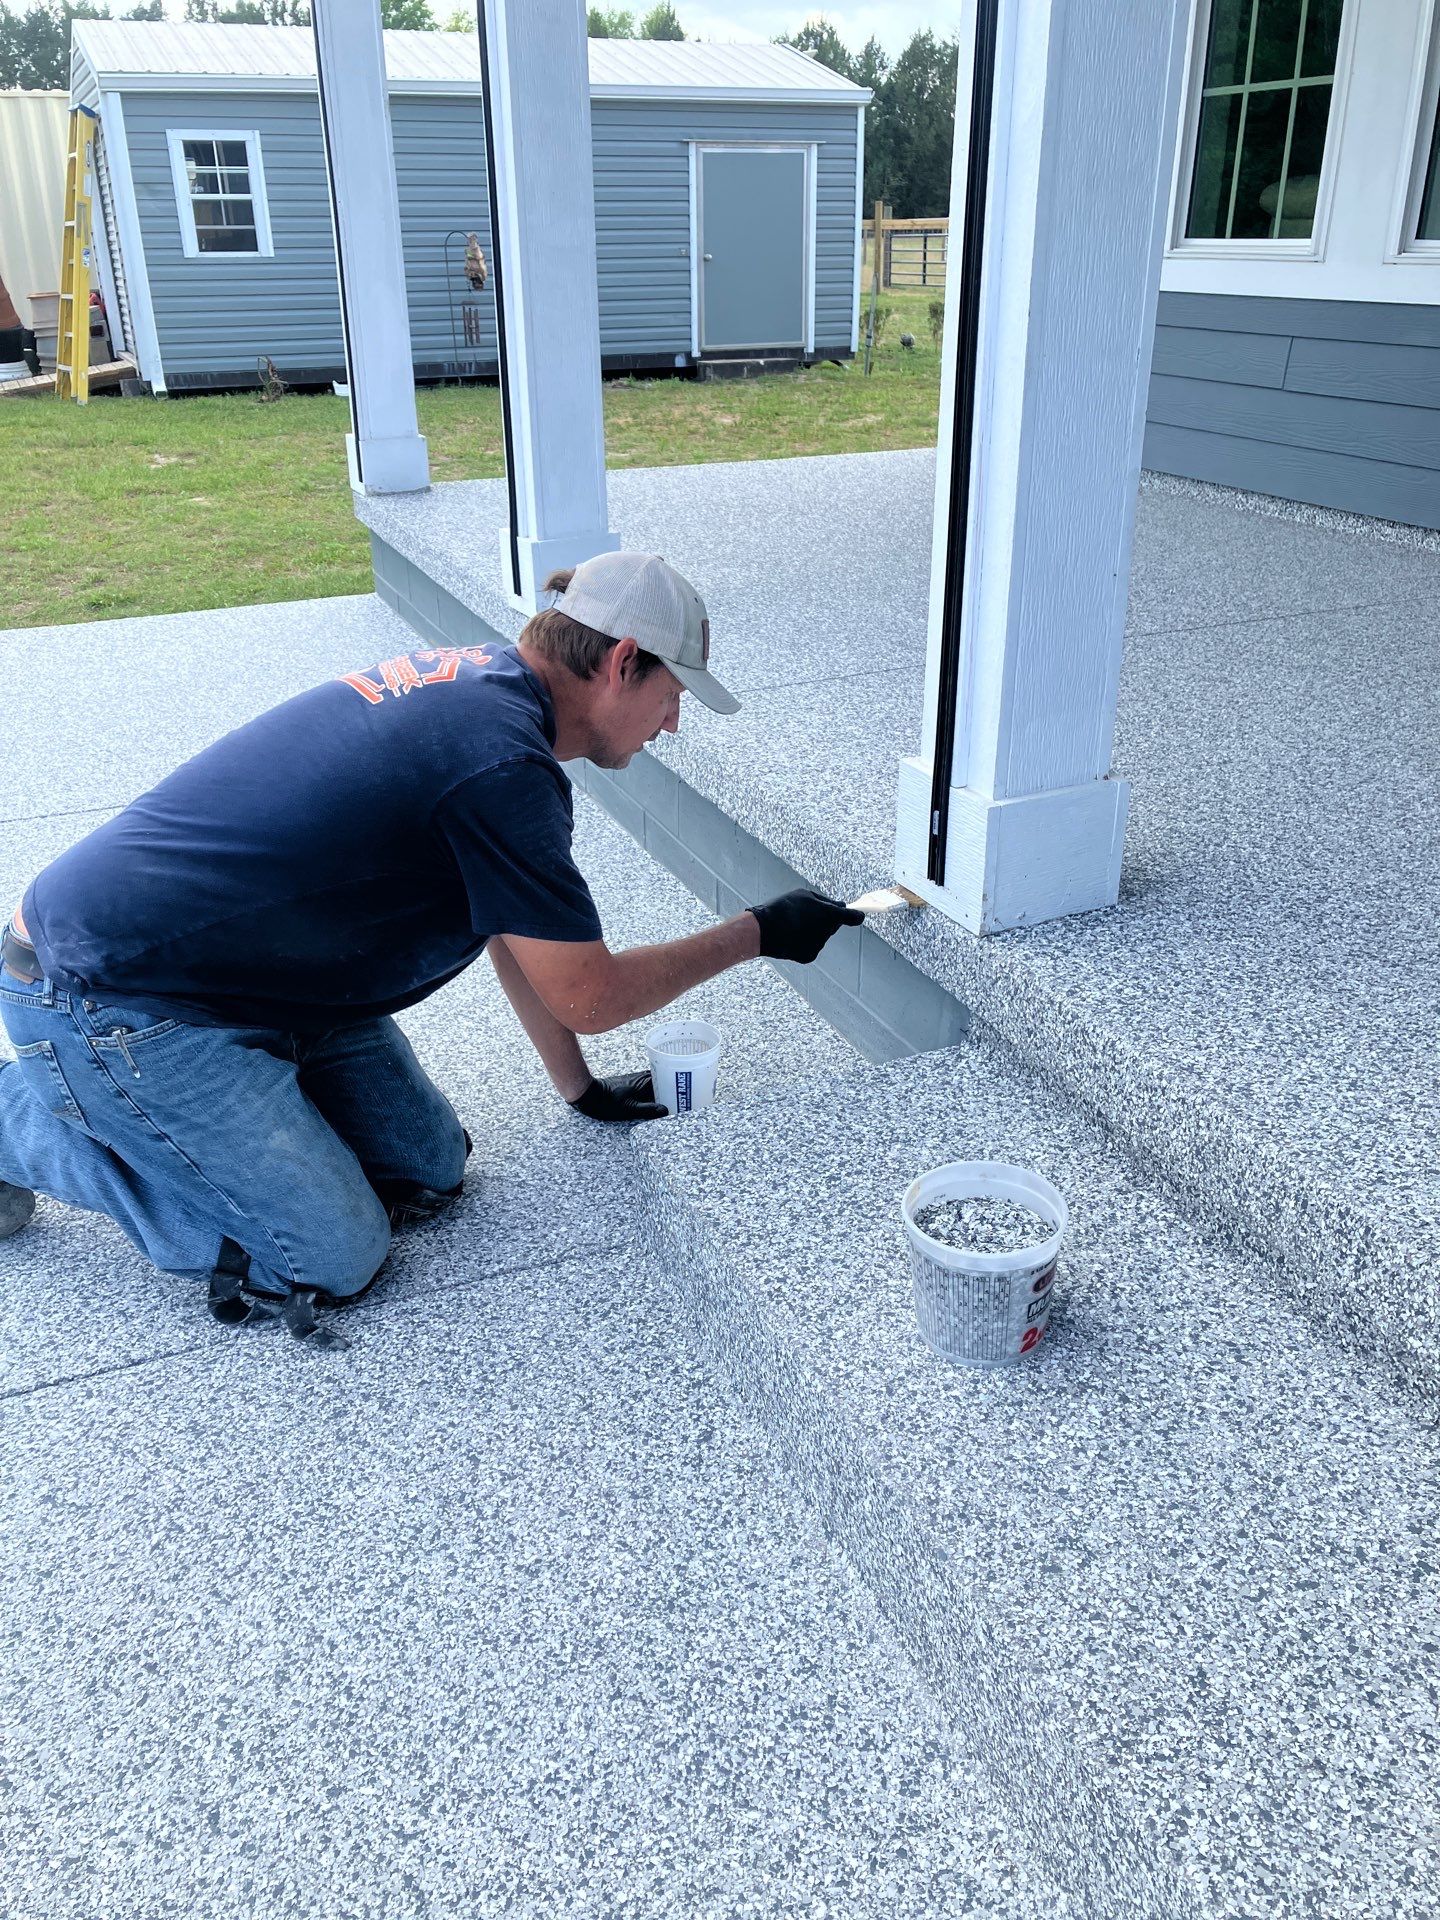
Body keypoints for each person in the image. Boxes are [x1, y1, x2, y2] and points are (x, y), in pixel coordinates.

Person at [0, 552, 860, 1341]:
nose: (672, 724)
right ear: (621, 661)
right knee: (332, 1256)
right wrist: (758, 933)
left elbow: (514, 933)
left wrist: (578, 1088)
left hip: (260, 979)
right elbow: (590, 997)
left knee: (429, 1171)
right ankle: (20, 1121)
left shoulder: (484, 694)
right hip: (115, 998)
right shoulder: (500, 764)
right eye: (673, 695)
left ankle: (243, 1116)